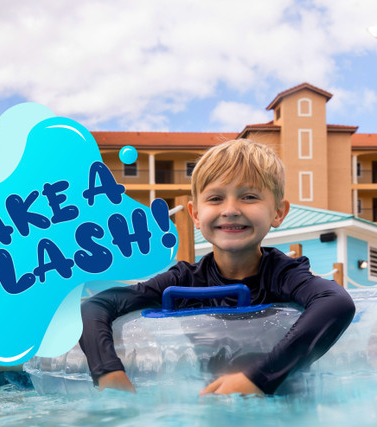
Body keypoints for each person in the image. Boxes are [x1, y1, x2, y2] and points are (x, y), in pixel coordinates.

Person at [79, 139, 355, 395]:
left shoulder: (283, 274)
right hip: (209, 402)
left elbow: (336, 303)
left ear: (278, 212)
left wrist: (259, 379)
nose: (231, 209)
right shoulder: (183, 281)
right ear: (196, 215)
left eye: (249, 197)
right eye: (215, 198)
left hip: (284, 401)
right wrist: (108, 371)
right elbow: (93, 306)